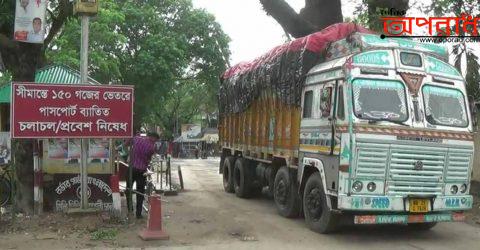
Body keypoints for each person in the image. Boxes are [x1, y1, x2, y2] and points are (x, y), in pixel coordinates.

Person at [126, 132, 159, 219]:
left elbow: (127, 141)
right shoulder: (152, 147)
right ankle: (138, 213)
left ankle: (130, 210)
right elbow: (148, 159)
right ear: (153, 137)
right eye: (155, 140)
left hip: (131, 169)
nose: (154, 142)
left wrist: (129, 151)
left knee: (128, 189)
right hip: (141, 171)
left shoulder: (137, 138)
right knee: (140, 192)